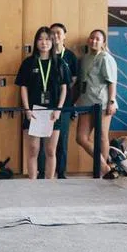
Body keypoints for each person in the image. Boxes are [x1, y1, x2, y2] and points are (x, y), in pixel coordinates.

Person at [17, 26, 70, 181]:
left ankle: (49, 182)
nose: (44, 42)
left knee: (50, 150)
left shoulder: (59, 63)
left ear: (52, 42)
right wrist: (27, 109)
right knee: (33, 149)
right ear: (36, 42)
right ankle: (32, 182)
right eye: (40, 39)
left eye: (47, 39)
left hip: (53, 112)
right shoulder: (28, 63)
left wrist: (59, 109)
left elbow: (64, 89)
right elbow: (23, 87)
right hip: (34, 111)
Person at [75, 29, 119, 178]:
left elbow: (112, 82)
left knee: (101, 137)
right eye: (92, 38)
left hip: (103, 103)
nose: (94, 41)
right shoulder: (85, 58)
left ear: (103, 42)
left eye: (98, 39)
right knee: (81, 138)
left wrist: (112, 101)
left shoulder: (106, 58)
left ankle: (102, 172)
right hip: (86, 102)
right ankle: (106, 167)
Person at [43, 22, 79, 179]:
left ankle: (61, 172)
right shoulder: (44, 54)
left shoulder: (70, 56)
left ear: (64, 35)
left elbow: (73, 79)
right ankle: (42, 172)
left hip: (64, 105)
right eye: (52, 33)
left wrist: (60, 90)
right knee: (44, 140)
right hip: (44, 104)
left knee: (62, 140)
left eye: (59, 33)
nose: (55, 36)